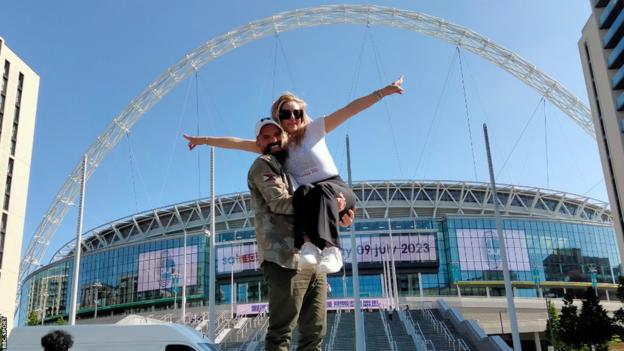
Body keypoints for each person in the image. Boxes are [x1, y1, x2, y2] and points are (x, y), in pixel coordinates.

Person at [184, 77, 403, 274]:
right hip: (312, 198)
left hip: (336, 187)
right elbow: (236, 143)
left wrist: (383, 91)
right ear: (277, 118)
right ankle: (307, 246)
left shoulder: (315, 129)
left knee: (318, 190)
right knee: (302, 194)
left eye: (297, 112)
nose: (292, 118)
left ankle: (332, 250)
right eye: (285, 114)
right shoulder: (279, 145)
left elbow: (350, 109)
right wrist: (202, 140)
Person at [247, 118, 354, 351]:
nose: (274, 139)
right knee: (281, 331)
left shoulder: (293, 166)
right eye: (266, 137)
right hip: (284, 258)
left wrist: (335, 211)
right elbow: (279, 203)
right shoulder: (263, 164)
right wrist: (321, 203)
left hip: (314, 258)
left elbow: (314, 204)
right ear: (258, 143)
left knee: (315, 332)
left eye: (277, 134)